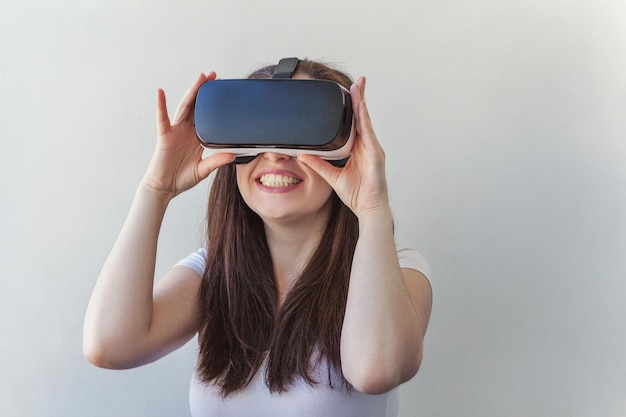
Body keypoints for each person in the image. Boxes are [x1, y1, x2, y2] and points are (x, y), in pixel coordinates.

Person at [83, 59, 433, 417]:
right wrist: (155, 189)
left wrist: (372, 206)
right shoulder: (213, 272)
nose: (275, 154)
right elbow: (109, 346)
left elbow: (376, 371)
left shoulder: (399, 268)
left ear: (347, 149)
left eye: (301, 129)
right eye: (257, 132)